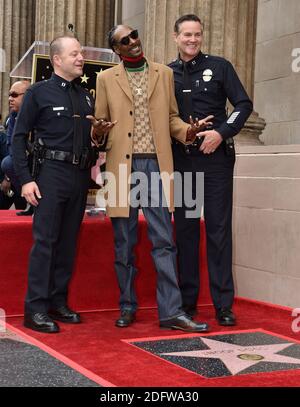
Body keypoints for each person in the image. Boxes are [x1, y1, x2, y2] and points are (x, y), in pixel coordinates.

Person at [89, 25, 212, 333]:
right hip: (120, 169)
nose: (133, 41)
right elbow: (99, 126)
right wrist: (98, 132)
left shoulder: (163, 74)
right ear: (117, 49)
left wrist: (188, 131)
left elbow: (171, 118)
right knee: (124, 242)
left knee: (164, 241)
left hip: (157, 166)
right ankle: (127, 306)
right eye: (124, 40)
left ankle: (171, 311)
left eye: (134, 35)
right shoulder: (105, 79)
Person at [169, 14, 253, 326]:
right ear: (176, 37)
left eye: (197, 35)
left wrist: (221, 133)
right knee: (187, 232)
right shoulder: (166, 73)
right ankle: (188, 303)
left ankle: (223, 305)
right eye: (187, 35)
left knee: (218, 231)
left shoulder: (220, 66)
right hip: (185, 161)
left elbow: (243, 105)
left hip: (216, 161)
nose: (192, 40)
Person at [12, 35, 95, 333]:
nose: (80, 58)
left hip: (79, 176)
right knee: (45, 243)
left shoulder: (86, 96)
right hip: (50, 175)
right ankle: (34, 309)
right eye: (74, 54)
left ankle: (57, 303)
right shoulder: (38, 93)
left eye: (81, 53)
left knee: (68, 243)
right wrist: (25, 180)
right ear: (57, 60)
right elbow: (18, 138)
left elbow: (91, 141)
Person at [0, 82, 29, 211]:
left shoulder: (42, 114)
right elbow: (11, 145)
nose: (10, 98)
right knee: (9, 163)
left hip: (46, 163)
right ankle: (26, 199)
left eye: (15, 95)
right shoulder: (13, 116)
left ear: (28, 96)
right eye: (9, 94)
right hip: (23, 162)